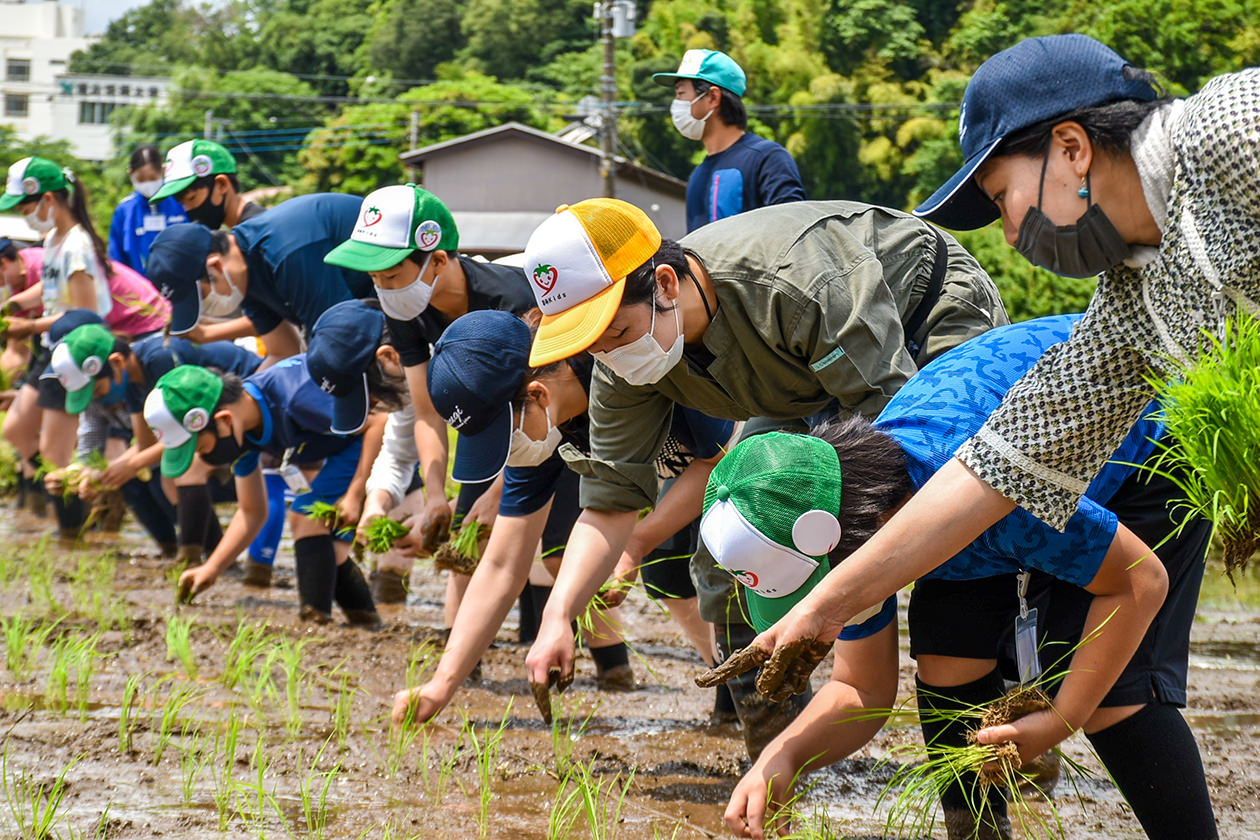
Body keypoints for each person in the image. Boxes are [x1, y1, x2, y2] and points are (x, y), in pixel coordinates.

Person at [745, 35, 1260, 776]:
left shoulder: (1223, 130)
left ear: (1072, 148)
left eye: (1002, 198)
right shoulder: (1126, 315)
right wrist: (823, 610)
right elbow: (994, 468)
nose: (1013, 234)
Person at [517, 197, 1007, 757]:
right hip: (796, 379)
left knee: (955, 517)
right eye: (590, 343)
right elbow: (608, 502)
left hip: (920, 321)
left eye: (614, 330)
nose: (608, 354)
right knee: (735, 536)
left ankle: (1003, 712)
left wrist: (839, 596)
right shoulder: (625, 359)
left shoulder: (795, 280)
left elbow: (892, 441)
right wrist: (559, 616)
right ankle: (772, 753)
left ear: (666, 285)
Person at [709, 315, 1216, 840]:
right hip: (1003, 497)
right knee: (948, 643)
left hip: (1155, 442)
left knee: (1114, 691)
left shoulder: (998, 487)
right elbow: (862, 687)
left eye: (812, 594)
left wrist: (1063, 717)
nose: (827, 609)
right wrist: (782, 756)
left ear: (842, 541)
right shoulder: (860, 501)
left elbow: (1137, 582)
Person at [390, 310, 736, 726]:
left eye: (505, 438)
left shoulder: (631, 362)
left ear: (538, 395)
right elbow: (502, 565)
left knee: (723, 569)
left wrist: (636, 542)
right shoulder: (543, 427)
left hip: (753, 452)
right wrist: (441, 685)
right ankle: (735, 700)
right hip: (676, 471)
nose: (509, 455)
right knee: (671, 574)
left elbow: (719, 461)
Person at [323, 184, 536, 620]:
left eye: (392, 275)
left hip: (549, 414)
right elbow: (425, 412)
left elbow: (538, 406)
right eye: (376, 279)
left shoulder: (512, 303)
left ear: (437, 259)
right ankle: (461, 661)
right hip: (485, 426)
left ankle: (576, 654)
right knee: (464, 537)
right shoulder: (405, 308)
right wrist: (437, 494)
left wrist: (497, 493)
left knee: (537, 545)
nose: (383, 288)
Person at [152, 349, 397, 625]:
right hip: (347, 447)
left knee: (306, 517)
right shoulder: (246, 435)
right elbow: (251, 512)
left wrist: (355, 493)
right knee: (331, 552)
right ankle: (366, 623)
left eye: (201, 447)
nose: (203, 459)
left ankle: (314, 625)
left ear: (223, 420)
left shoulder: (295, 398)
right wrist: (212, 568)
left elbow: (379, 422)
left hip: (379, 441)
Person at [0, 156, 169, 534]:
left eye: (26, 206)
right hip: (51, 345)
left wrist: (23, 327)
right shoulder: (53, 239)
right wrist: (14, 306)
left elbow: (86, 315)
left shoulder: (77, 246)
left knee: (55, 454)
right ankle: (64, 514)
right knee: (15, 429)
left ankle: (71, 535)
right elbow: (48, 290)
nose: (26, 215)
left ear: (48, 200)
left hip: (73, 348)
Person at [42, 319, 263, 569]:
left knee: (183, 472)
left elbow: (180, 435)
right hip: (205, 427)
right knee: (158, 478)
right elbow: (147, 443)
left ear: (116, 362)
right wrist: (93, 474)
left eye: (97, 389)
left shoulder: (161, 359)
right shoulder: (132, 381)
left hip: (243, 406)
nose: (98, 398)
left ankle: (199, 560)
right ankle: (201, 555)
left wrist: (129, 465)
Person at [146, 192, 371, 362]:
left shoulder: (286, 253)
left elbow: (340, 343)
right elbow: (282, 352)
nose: (208, 306)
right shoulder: (245, 278)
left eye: (202, 296)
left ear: (215, 266)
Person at [653, 49, 805, 232]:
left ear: (713, 97)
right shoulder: (697, 176)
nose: (676, 105)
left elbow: (792, 232)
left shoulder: (767, 158)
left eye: (681, 94)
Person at [107, 144, 189, 274]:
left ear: (163, 171)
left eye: (152, 178)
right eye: (141, 179)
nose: (147, 184)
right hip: (139, 290)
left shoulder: (180, 202)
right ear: (131, 174)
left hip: (179, 286)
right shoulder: (124, 211)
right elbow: (116, 259)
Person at [150, 138, 265, 229]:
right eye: (182, 204)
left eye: (192, 198)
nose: (188, 210)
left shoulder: (257, 234)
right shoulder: (244, 232)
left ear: (222, 184)